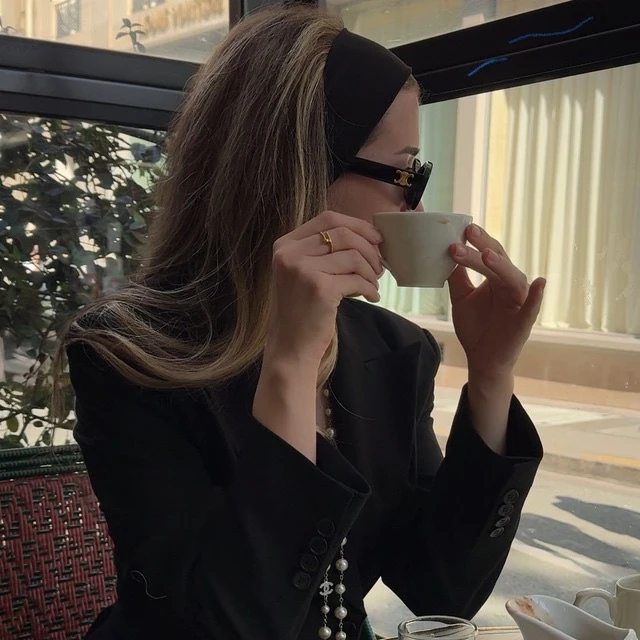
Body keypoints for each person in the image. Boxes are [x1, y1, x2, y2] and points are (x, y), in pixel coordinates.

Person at [56, 5, 545, 640]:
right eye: (407, 171)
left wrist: (492, 377)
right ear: (299, 168)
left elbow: (442, 587)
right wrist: (288, 368)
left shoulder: (392, 350)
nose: (416, 202)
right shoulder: (127, 355)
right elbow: (219, 626)